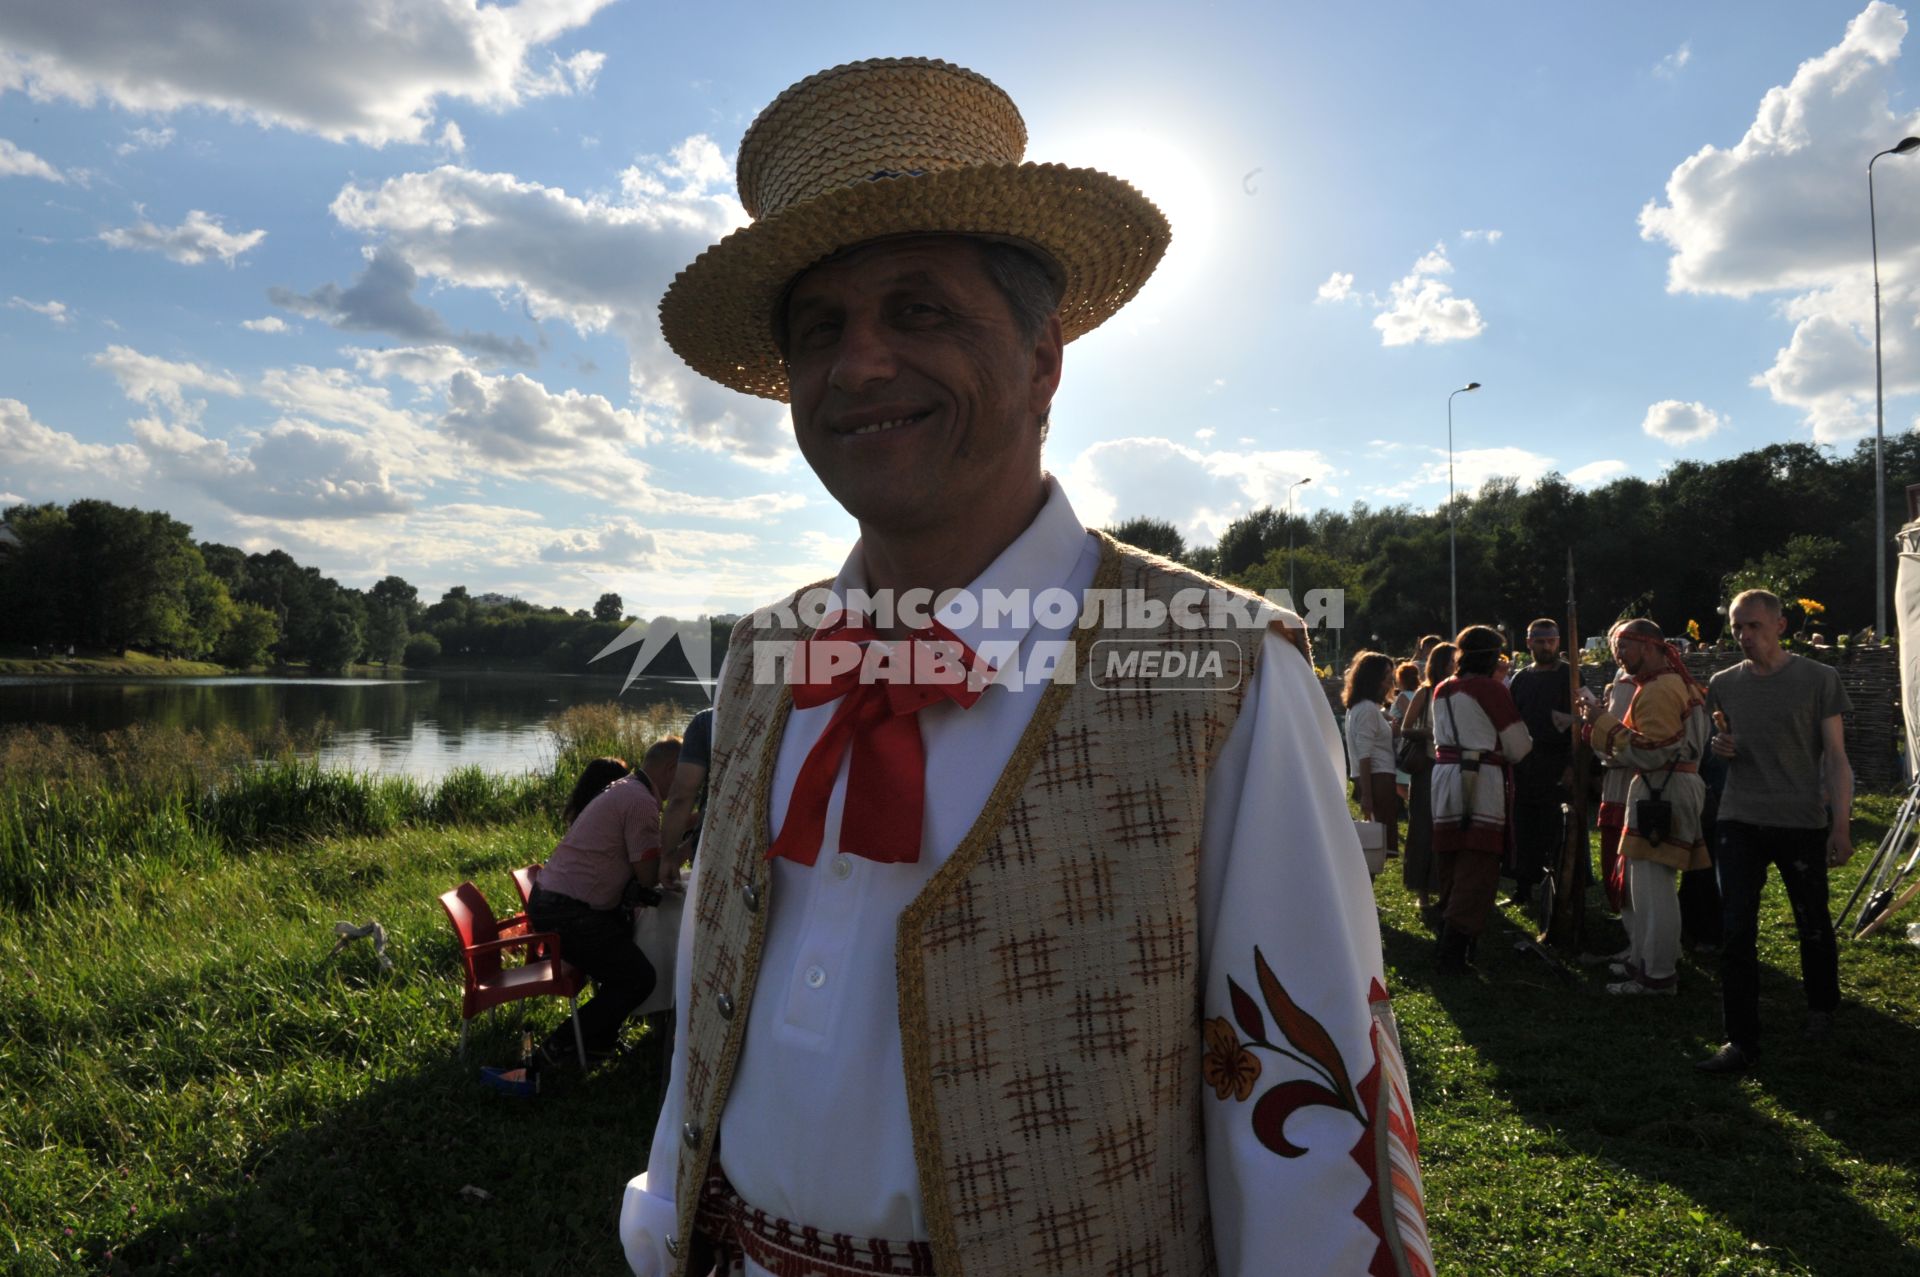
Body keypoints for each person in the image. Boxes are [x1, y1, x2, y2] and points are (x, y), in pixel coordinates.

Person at [620, 56, 1430, 1277]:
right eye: (820, 329)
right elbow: (718, 1000)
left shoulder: (1225, 673)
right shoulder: (766, 655)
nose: (863, 363)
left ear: (1044, 357)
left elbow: (1308, 1126)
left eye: (921, 310)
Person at [1696, 589, 1854, 1074]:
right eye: (1738, 627)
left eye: (1754, 626)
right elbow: (1719, 739)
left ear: (1780, 626)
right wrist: (1719, 745)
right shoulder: (1723, 683)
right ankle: (1740, 1040)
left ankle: (1821, 1007)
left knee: (1811, 921)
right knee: (1736, 928)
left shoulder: (1817, 678)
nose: (1744, 635)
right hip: (1739, 817)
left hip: (1800, 818)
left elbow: (1835, 756)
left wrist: (1841, 826)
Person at [1575, 619, 1711, 996]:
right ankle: (1647, 961)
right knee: (1648, 885)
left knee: (1654, 889)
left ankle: (1658, 975)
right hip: (1663, 787)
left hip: (1662, 789)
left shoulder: (1659, 690)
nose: (1619, 654)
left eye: (1625, 646)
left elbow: (1652, 752)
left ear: (1649, 646)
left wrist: (1599, 720)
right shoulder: (1667, 685)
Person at [527, 758, 662, 1067]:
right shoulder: (638, 800)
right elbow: (648, 877)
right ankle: (557, 1047)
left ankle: (598, 1042)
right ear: (670, 771)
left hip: (556, 902)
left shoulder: (620, 794)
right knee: (638, 977)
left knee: (626, 953)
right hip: (565, 910)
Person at [1430, 625, 1533, 973]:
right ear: (1490, 657)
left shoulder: (1442, 688)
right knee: (1477, 862)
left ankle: (1447, 933)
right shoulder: (1490, 689)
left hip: (1445, 776)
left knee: (1451, 857)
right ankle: (1454, 949)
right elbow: (1519, 746)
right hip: (1480, 778)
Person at [1506, 618, 1573, 913]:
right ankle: (1524, 888)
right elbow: (1511, 721)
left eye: (1551, 641)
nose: (1546, 646)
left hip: (1558, 763)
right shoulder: (1521, 678)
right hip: (1525, 764)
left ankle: (1562, 888)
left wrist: (1572, 765)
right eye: (1541, 641)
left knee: (1556, 829)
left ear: (1558, 642)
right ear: (1529, 642)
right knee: (1524, 827)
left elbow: (1579, 723)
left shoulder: (1570, 676)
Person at [1400, 642, 1455, 925]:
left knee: (1448, 826)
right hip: (1427, 767)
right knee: (1422, 827)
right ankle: (1422, 890)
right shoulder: (1425, 691)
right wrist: (1430, 733)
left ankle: (1445, 887)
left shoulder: (1458, 689)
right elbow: (1405, 728)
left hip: (1451, 766)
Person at [1344, 650, 1399, 856]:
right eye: (1386, 678)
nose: (1389, 683)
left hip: (1374, 777)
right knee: (1376, 845)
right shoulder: (1367, 709)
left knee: (1377, 844)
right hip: (1377, 778)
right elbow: (1364, 754)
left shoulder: (1360, 708)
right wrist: (1367, 795)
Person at [657, 706, 712, 883]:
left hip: (714, 850)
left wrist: (668, 857)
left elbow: (682, 796)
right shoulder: (794, 716)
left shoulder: (708, 721)